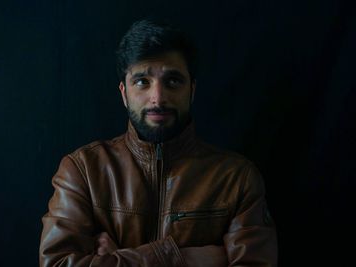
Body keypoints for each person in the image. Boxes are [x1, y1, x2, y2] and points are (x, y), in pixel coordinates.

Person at [39, 19, 278, 267]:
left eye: (172, 81)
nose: (158, 98)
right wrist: (179, 257)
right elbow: (56, 263)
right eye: (142, 81)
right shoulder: (82, 170)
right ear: (124, 93)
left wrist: (116, 258)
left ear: (192, 91)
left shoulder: (237, 178)